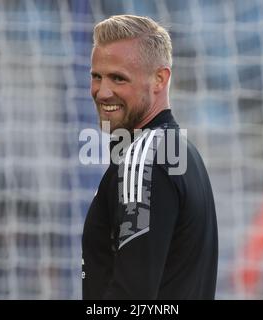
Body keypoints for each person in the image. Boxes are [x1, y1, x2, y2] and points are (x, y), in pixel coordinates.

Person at [82, 15, 218, 299]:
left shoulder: (143, 158)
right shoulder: (182, 152)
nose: (102, 92)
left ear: (160, 79)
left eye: (118, 78)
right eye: (97, 76)